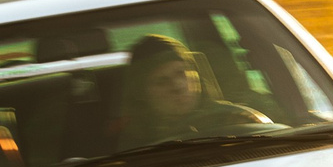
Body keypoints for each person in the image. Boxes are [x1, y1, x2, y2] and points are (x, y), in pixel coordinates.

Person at [116, 33, 274, 147]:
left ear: (195, 73)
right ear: (142, 93)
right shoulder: (134, 145)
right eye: (161, 81)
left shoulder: (237, 119)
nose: (177, 86)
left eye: (181, 73)